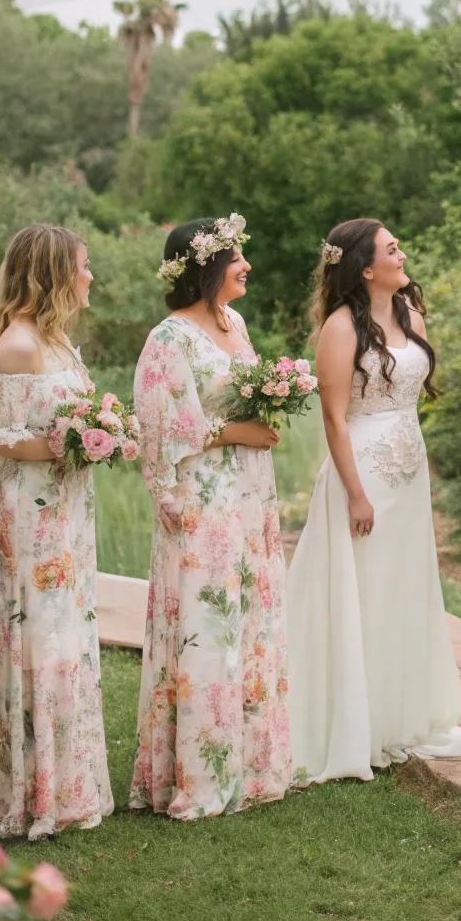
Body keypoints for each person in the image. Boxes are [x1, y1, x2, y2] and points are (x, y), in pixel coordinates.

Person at [286, 219, 461, 783]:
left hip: (408, 472)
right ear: (366, 268)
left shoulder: (410, 316)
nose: (403, 252)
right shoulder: (341, 329)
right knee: (361, 590)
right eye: (393, 248)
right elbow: (335, 418)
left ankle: (397, 713)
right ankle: (352, 724)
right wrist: (356, 494)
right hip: (363, 472)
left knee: (401, 586)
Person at [130, 215, 290, 820]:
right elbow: (160, 427)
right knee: (207, 622)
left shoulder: (236, 323)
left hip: (252, 494)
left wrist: (271, 408)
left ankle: (249, 766)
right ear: (205, 267)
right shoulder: (168, 339)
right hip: (204, 498)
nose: (247, 266)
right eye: (236, 257)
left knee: (248, 617)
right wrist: (234, 431)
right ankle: (200, 774)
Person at [0, 223, 113, 840]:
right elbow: (0, 437)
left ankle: (71, 785)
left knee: (68, 638)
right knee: (40, 640)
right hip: (31, 513)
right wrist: (76, 443)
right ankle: (36, 791)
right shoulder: (20, 345)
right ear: (56, 272)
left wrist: (99, 434)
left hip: (66, 507)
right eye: (83, 266)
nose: (90, 276)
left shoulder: (59, 343)